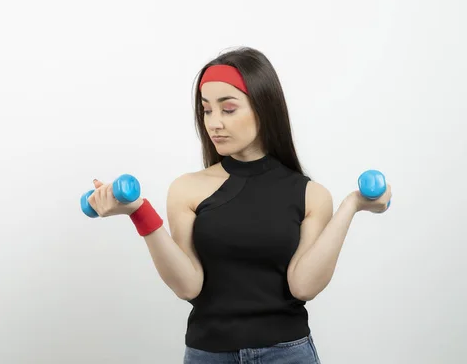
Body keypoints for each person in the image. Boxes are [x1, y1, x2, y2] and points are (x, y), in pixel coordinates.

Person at [87, 46, 392, 363]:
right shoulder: (187, 189)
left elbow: (303, 286)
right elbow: (188, 285)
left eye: (228, 109)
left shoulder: (311, 195)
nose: (214, 123)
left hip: (288, 354)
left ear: (263, 109)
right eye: (206, 110)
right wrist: (139, 212)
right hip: (209, 353)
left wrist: (352, 204)